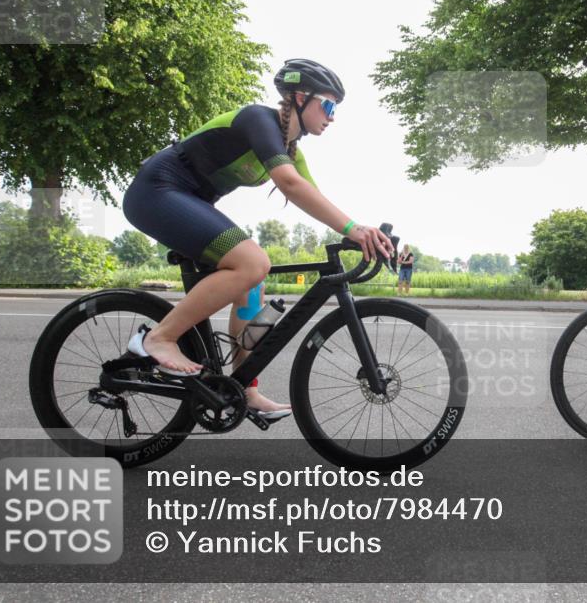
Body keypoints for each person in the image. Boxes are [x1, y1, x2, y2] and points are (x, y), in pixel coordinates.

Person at [122, 59, 393, 419]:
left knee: (253, 282)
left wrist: (362, 233)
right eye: (328, 105)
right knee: (253, 262)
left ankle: (245, 389)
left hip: (188, 201)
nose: (332, 116)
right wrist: (354, 229)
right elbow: (291, 185)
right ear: (300, 97)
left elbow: (314, 197)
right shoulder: (257, 119)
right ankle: (158, 339)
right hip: (157, 191)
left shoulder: (291, 150)